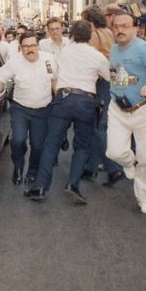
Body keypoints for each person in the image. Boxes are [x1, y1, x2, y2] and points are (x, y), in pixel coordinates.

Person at [24, 20, 110, 204]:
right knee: (82, 146)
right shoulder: (97, 56)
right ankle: (73, 185)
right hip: (85, 100)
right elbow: (109, 76)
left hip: (63, 98)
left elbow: (55, 73)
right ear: (90, 36)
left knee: (51, 144)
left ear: (71, 35)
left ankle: (40, 187)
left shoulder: (64, 52)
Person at [105, 12, 146, 214]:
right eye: (116, 26)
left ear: (134, 28)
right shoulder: (113, 49)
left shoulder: (143, 48)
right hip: (117, 108)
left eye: (125, 26)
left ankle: (144, 196)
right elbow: (118, 77)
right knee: (114, 151)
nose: (120, 30)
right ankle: (129, 162)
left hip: (144, 109)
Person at [0, 32, 57, 186]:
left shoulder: (48, 60)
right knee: (17, 141)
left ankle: (32, 173)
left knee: (38, 145)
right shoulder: (15, 62)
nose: (29, 49)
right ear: (20, 48)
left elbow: (54, 80)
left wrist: (59, 101)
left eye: (32, 45)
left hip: (43, 110)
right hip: (21, 109)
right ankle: (18, 165)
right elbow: (0, 78)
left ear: (38, 45)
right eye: (25, 46)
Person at [81, 5, 123, 185]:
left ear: (89, 21)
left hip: (101, 83)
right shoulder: (108, 32)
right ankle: (91, 168)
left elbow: (90, 61)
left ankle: (113, 169)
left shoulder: (94, 36)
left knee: (98, 127)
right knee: (96, 126)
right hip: (113, 79)